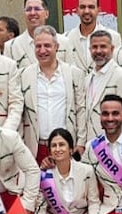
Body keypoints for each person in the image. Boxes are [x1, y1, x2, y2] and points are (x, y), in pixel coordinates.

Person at [20, 26, 86, 162]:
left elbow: (81, 109)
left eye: (47, 46)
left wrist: (80, 141)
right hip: (36, 147)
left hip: (66, 146)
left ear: (57, 46)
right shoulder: (23, 75)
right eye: (38, 46)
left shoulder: (74, 74)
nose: (42, 50)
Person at [84, 30, 122, 146]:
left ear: (112, 49)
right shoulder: (88, 79)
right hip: (92, 144)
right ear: (90, 50)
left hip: (112, 144)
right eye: (94, 47)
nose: (98, 51)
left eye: (103, 47)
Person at [7, 0, 70, 69]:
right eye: (28, 9)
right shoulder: (11, 47)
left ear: (46, 14)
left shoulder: (64, 43)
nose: (32, 13)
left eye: (37, 9)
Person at [65, 0, 121, 73]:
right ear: (77, 10)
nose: (86, 11)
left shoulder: (113, 37)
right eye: (82, 7)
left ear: (99, 10)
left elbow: (116, 69)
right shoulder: (66, 38)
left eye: (91, 7)